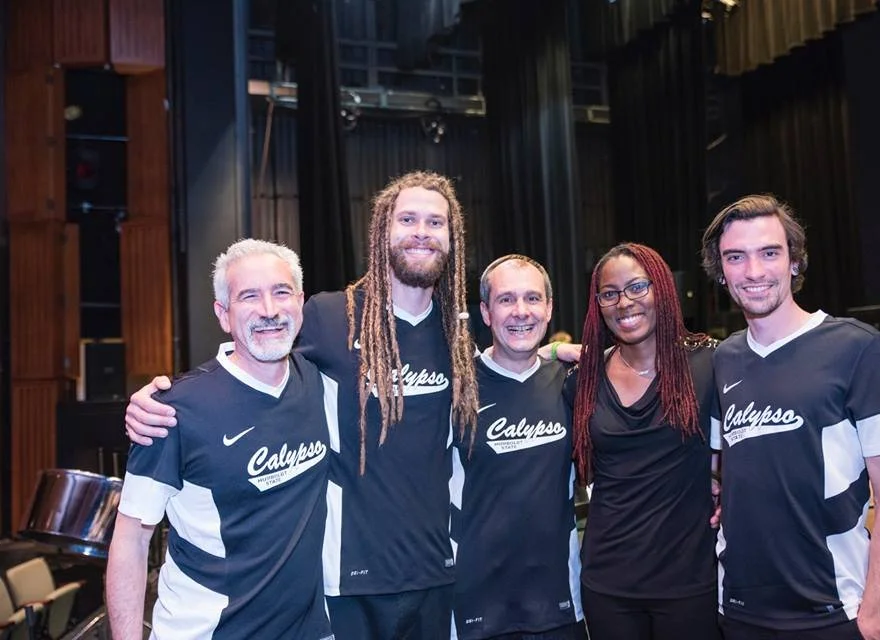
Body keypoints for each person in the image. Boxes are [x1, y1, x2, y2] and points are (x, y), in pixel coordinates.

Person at [123, 171, 478, 639]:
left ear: (453, 238)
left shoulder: (459, 331)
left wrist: (559, 353)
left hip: (436, 575)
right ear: (381, 231)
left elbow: (511, 361)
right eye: (407, 219)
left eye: (436, 223)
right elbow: (255, 352)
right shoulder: (330, 316)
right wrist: (155, 397)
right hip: (345, 586)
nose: (421, 232)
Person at [700, 194, 880, 640]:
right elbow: (721, 469)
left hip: (836, 611)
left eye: (770, 253)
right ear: (721, 272)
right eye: (735, 257)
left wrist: (874, 614)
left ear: (795, 262)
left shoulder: (857, 348)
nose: (754, 271)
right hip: (740, 611)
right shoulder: (724, 359)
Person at [105, 239, 334, 639]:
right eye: (249, 296)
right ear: (224, 315)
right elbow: (131, 541)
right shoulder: (171, 408)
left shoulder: (320, 381)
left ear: (300, 302)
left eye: (281, 292)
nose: (269, 310)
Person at [566, 242, 722, 640]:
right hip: (608, 582)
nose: (624, 302)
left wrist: (726, 480)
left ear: (663, 290)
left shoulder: (709, 365)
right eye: (610, 293)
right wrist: (553, 348)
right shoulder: (583, 381)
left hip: (688, 581)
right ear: (597, 304)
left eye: (638, 287)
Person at [451, 254, 585, 640]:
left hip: (558, 599)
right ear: (486, 312)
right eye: (506, 299)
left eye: (532, 298)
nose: (521, 311)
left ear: (549, 309)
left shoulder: (571, 383)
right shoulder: (458, 387)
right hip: (478, 603)